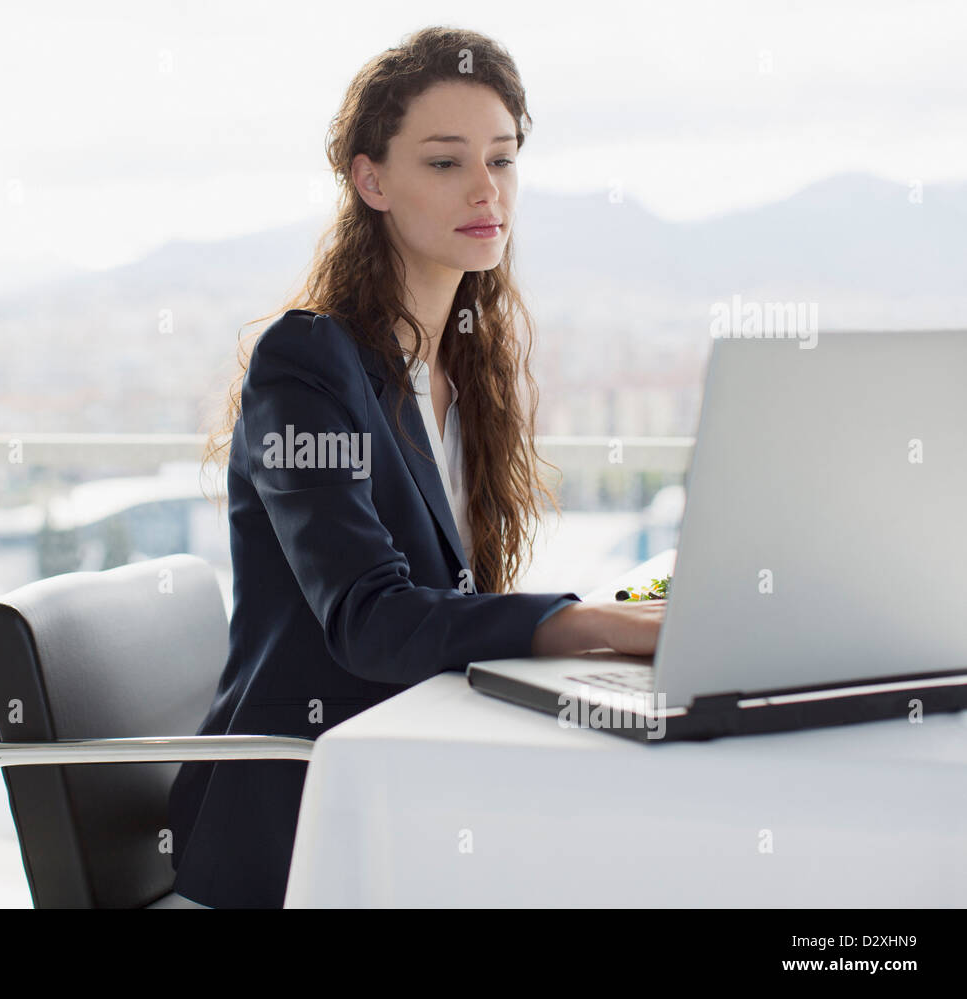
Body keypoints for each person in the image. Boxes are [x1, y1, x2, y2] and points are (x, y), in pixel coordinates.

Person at [167, 25, 666, 908]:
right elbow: (371, 619)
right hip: (301, 815)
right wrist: (596, 626)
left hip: (419, 779)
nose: (487, 189)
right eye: (445, 163)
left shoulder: (463, 365)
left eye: (503, 159)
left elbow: (457, 604)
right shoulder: (307, 363)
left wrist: (629, 613)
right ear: (372, 181)